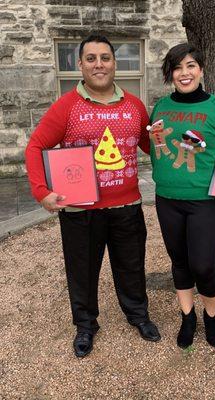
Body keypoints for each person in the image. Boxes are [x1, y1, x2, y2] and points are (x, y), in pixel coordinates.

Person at [25, 34, 161, 358]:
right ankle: (85, 325)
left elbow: (148, 147)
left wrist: (164, 142)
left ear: (114, 63)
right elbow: (35, 147)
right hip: (80, 210)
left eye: (105, 57)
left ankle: (138, 315)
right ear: (80, 65)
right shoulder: (66, 107)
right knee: (82, 270)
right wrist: (41, 192)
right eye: (91, 58)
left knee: (131, 266)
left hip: (127, 205)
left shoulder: (134, 106)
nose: (99, 64)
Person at [148, 43, 215, 349]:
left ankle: (211, 315)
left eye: (190, 66)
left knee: (204, 265)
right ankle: (188, 318)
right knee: (179, 262)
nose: (184, 73)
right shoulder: (160, 107)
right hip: (167, 198)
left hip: (206, 201)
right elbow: (156, 147)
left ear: (201, 69)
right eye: (178, 67)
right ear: (171, 73)